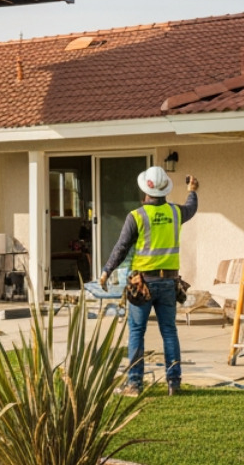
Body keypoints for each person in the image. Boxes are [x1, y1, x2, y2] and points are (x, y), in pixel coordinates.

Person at [98, 166, 199, 395]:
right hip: (169, 284)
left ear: (144, 190)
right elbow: (191, 208)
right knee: (169, 331)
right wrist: (191, 190)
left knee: (136, 332)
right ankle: (174, 383)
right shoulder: (175, 212)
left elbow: (122, 247)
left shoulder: (137, 216)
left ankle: (134, 384)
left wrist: (106, 271)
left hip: (142, 284)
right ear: (165, 190)